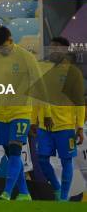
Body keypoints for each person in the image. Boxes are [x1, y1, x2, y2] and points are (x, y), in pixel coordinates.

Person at [0, 26, 41, 201]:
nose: (1, 51)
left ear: (11, 40)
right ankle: (24, 193)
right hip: (2, 114)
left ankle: (7, 192)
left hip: (21, 111)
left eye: (4, 47)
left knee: (16, 150)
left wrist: (36, 117)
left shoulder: (27, 57)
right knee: (11, 154)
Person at [36, 37, 85, 201]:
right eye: (50, 48)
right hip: (44, 125)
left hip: (65, 126)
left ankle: (64, 197)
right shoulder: (43, 69)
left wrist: (79, 126)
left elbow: (79, 102)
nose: (52, 51)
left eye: (56, 47)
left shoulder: (73, 73)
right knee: (42, 160)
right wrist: (32, 121)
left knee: (66, 161)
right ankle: (57, 188)